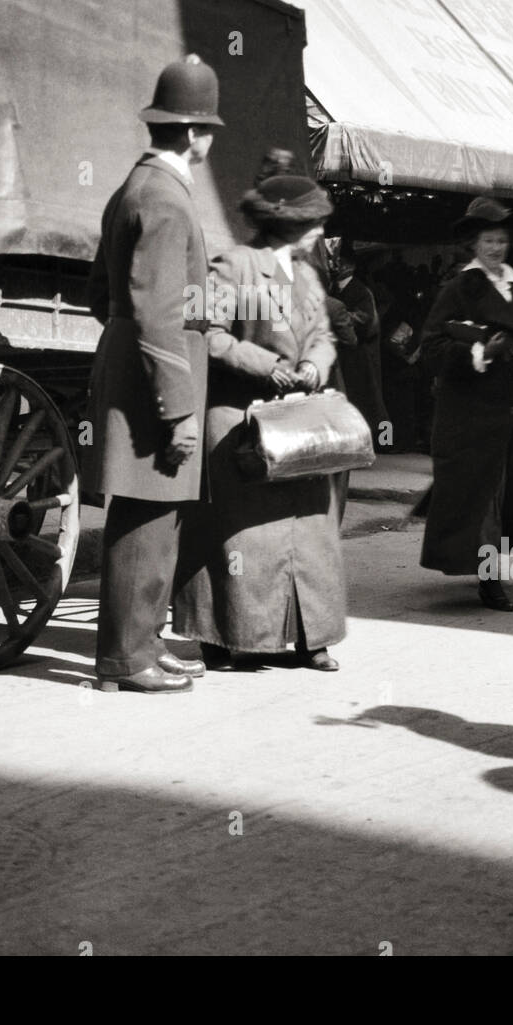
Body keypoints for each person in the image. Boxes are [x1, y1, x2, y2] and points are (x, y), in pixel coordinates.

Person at [86, 54, 224, 694]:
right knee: (147, 516)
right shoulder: (166, 200)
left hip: (131, 362)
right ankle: (126, 659)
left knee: (154, 514)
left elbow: (103, 295)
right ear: (197, 133)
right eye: (209, 130)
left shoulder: (131, 190)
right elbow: (160, 313)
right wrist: (177, 409)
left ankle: (139, 644)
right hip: (157, 378)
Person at [172, 175, 346, 671]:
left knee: (310, 530)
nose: (320, 232)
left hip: (298, 422)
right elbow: (206, 331)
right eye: (313, 223)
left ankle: (311, 638)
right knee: (240, 538)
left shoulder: (307, 276)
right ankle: (222, 638)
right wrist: (265, 365)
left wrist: (315, 363)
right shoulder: (233, 265)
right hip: (239, 422)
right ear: (287, 224)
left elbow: (324, 335)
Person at [417, 198, 513, 611]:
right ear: (474, 243)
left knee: (508, 500)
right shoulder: (460, 287)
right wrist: (478, 354)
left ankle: (496, 568)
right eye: (489, 240)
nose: (496, 248)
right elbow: (431, 346)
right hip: (470, 416)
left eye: (502, 240)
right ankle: (491, 580)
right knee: (484, 502)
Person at [331, 254, 388, 446]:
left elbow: (366, 319)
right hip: (345, 353)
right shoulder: (334, 289)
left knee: (370, 401)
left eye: (341, 262)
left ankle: (384, 442)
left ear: (351, 266)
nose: (337, 267)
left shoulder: (360, 290)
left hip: (361, 352)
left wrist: (339, 317)